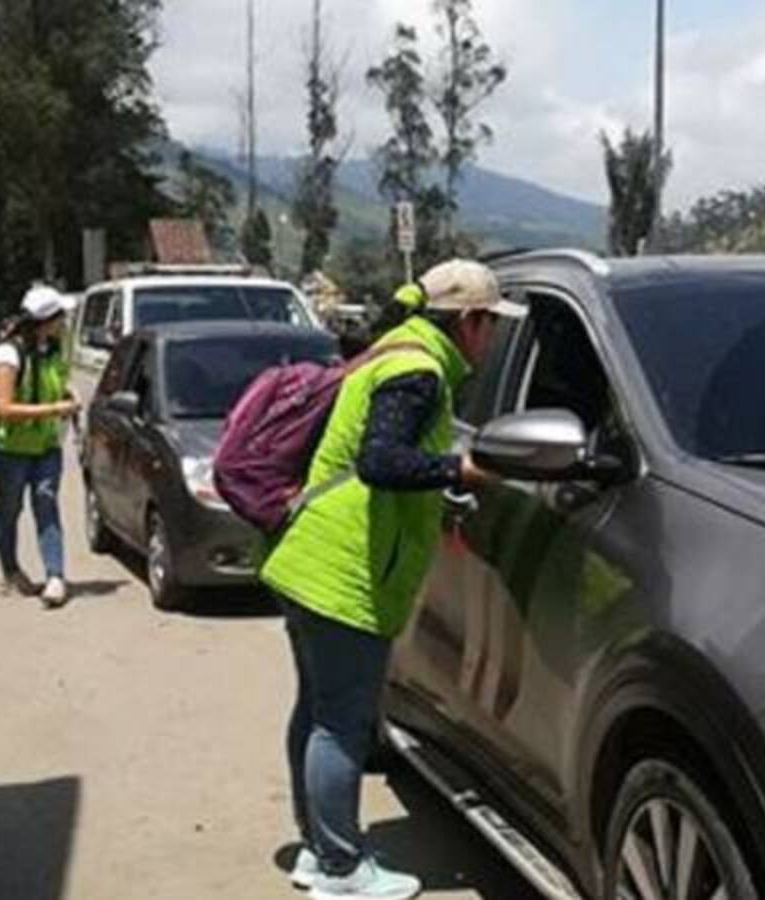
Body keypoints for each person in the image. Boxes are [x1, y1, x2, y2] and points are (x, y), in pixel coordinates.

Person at [260, 259, 523, 899]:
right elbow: (382, 461)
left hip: (310, 558)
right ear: (470, 322)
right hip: (343, 573)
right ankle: (344, 869)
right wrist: (460, 472)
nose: (492, 342)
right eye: (491, 326)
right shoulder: (418, 369)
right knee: (342, 722)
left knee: (318, 712)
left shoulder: (395, 351)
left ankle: (319, 851)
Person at [0, 285, 79, 608]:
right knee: (10, 511)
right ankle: (10, 570)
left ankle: (55, 576)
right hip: (9, 450)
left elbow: (57, 383)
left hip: (47, 446)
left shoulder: (53, 348)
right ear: (46, 320)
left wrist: (67, 395)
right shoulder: (9, 355)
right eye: (60, 316)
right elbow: (5, 407)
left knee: (46, 503)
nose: (65, 321)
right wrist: (56, 410)